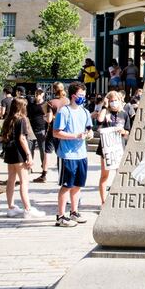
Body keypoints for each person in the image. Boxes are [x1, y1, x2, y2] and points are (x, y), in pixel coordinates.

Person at [52, 82, 93, 227]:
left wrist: (88, 134)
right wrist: (75, 135)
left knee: (78, 185)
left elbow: (89, 129)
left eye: (84, 95)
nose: (83, 97)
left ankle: (74, 212)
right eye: (81, 95)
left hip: (81, 154)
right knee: (66, 185)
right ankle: (61, 216)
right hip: (67, 155)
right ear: (74, 95)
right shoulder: (64, 112)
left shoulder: (85, 112)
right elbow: (56, 132)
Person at [0, 97, 45, 219]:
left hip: (10, 152)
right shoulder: (22, 120)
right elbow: (22, 138)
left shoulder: (8, 119)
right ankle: (28, 208)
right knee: (24, 181)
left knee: (11, 180)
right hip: (19, 153)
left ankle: (11, 207)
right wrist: (28, 154)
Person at [96, 91, 131, 205]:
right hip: (106, 148)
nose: (113, 103)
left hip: (119, 148)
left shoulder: (124, 114)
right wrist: (105, 107)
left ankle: (119, 199)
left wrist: (123, 131)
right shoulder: (106, 112)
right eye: (111, 101)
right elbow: (99, 121)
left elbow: (128, 132)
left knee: (120, 175)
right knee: (104, 175)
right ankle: (103, 201)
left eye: (115, 100)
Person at [27, 89, 50, 183]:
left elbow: (48, 116)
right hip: (31, 129)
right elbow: (28, 116)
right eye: (36, 93)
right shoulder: (31, 105)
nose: (37, 95)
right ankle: (29, 167)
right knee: (30, 149)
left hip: (42, 129)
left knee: (42, 149)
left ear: (43, 95)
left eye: (39, 94)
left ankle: (43, 167)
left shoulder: (45, 105)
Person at [45, 82, 70, 155]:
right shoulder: (67, 101)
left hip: (53, 128)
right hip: (65, 129)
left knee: (48, 152)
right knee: (62, 151)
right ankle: (61, 165)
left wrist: (44, 117)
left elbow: (49, 120)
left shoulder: (51, 102)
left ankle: (45, 166)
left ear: (54, 90)